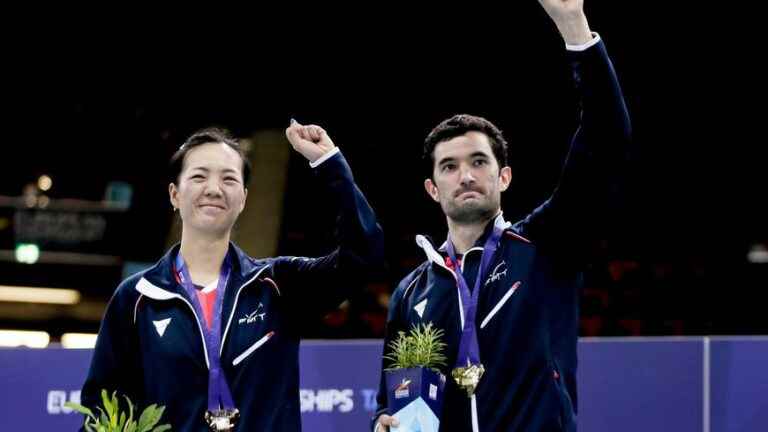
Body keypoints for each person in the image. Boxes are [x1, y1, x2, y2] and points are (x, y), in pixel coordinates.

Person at [373, 1, 631, 430]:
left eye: (479, 162)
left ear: (505, 177)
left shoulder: (547, 244)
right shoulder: (411, 292)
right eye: (450, 167)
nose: (466, 175)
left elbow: (606, 137)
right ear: (432, 189)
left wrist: (574, 26)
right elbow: (394, 396)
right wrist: (383, 420)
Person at [80, 121, 384, 431]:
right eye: (199, 176)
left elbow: (363, 255)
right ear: (174, 194)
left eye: (229, 179)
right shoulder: (137, 298)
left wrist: (329, 162)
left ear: (243, 199)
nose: (213, 189)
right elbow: (102, 413)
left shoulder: (277, 284)